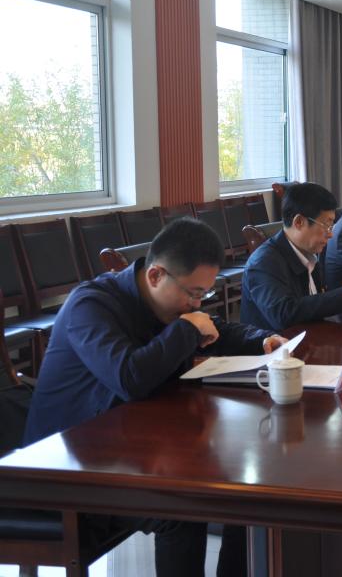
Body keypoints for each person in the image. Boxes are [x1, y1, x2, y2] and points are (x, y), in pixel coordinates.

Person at [24, 218, 289, 577]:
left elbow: (213, 329)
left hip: (130, 447)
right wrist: (187, 328)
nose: (197, 303)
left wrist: (261, 340)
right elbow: (129, 377)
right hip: (69, 468)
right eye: (193, 293)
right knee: (182, 510)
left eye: (204, 294)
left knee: (243, 493)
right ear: (155, 275)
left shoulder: (165, 301)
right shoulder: (90, 306)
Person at [241, 182, 342, 330]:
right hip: (276, 344)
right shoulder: (263, 263)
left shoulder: (309, 254)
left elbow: (313, 305)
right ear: (299, 222)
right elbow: (284, 314)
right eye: (326, 226)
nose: (330, 234)